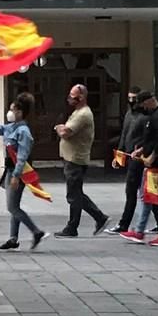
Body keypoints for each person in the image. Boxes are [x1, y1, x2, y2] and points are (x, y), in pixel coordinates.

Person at [0, 93, 49, 250]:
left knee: (12, 207)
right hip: (10, 170)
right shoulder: (11, 127)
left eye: (13, 109)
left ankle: (36, 232)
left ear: (20, 112)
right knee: (14, 205)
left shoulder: (24, 132)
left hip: (19, 172)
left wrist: (16, 176)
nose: (9, 112)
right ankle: (13, 238)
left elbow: (22, 157)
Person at [121, 91, 158, 246]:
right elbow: (151, 139)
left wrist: (152, 156)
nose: (143, 107)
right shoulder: (155, 116)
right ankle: (139, 231)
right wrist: (141, 150)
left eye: (143, 104)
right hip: (152, 164)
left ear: (150, 101)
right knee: (146, 196)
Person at [106, 86, 158, 235]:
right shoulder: (129, 115)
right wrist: (118, 155)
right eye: (129, 98)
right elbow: (124, 135)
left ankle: (124, 224)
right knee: (144, 190)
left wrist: (143, 151)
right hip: (129, 155)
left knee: (132, 191)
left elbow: (148, 139)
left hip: (138, 158)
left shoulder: (146, 118)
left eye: (134, 98)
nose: (131, 101)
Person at [53, 84, 110, 238]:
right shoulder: (78, 112)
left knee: (73, 195)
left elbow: (65, 132)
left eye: (73, 96)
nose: (70, 98)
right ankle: (99, 218)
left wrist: (58, 128)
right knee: (76, 193)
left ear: (81, 97)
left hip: (75, 159)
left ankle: (74, 227)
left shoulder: (83, 114)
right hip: (72, 158)